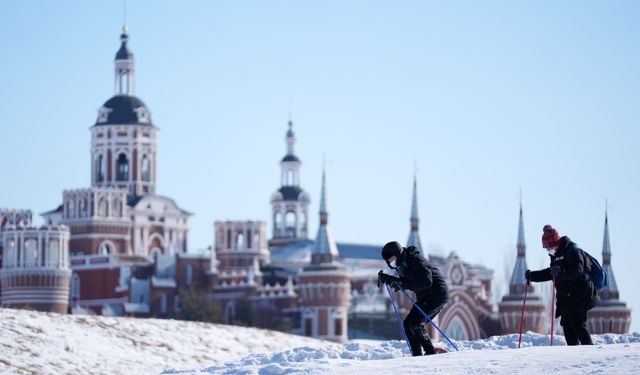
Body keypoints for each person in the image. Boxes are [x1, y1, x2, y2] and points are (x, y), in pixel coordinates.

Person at [525, 225, 597, 346]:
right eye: (545, 247)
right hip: (567, 298)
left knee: (577, 323)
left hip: (581, 295)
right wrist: (532, 276)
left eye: (547, 246)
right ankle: (574, 355)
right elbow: (551, 273)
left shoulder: (573, 250)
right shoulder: (556, 255)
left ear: (555, 242)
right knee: (567, 326)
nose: (547, 249)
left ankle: (589, 352)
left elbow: (577, 270)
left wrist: (560, 273)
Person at [378, 241, 449, 356]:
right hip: (425, 296)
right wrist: (390, 279)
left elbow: (426, 282)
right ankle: (416, 354)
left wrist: (401, 283)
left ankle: (430, 352)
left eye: (392, 260)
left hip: (437, 295)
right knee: (408, 324)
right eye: (389, 262)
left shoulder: (416, 261)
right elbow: (406, 282)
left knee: (416, 323)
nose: (391, 263)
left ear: (398, 254)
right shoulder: (404, 265)